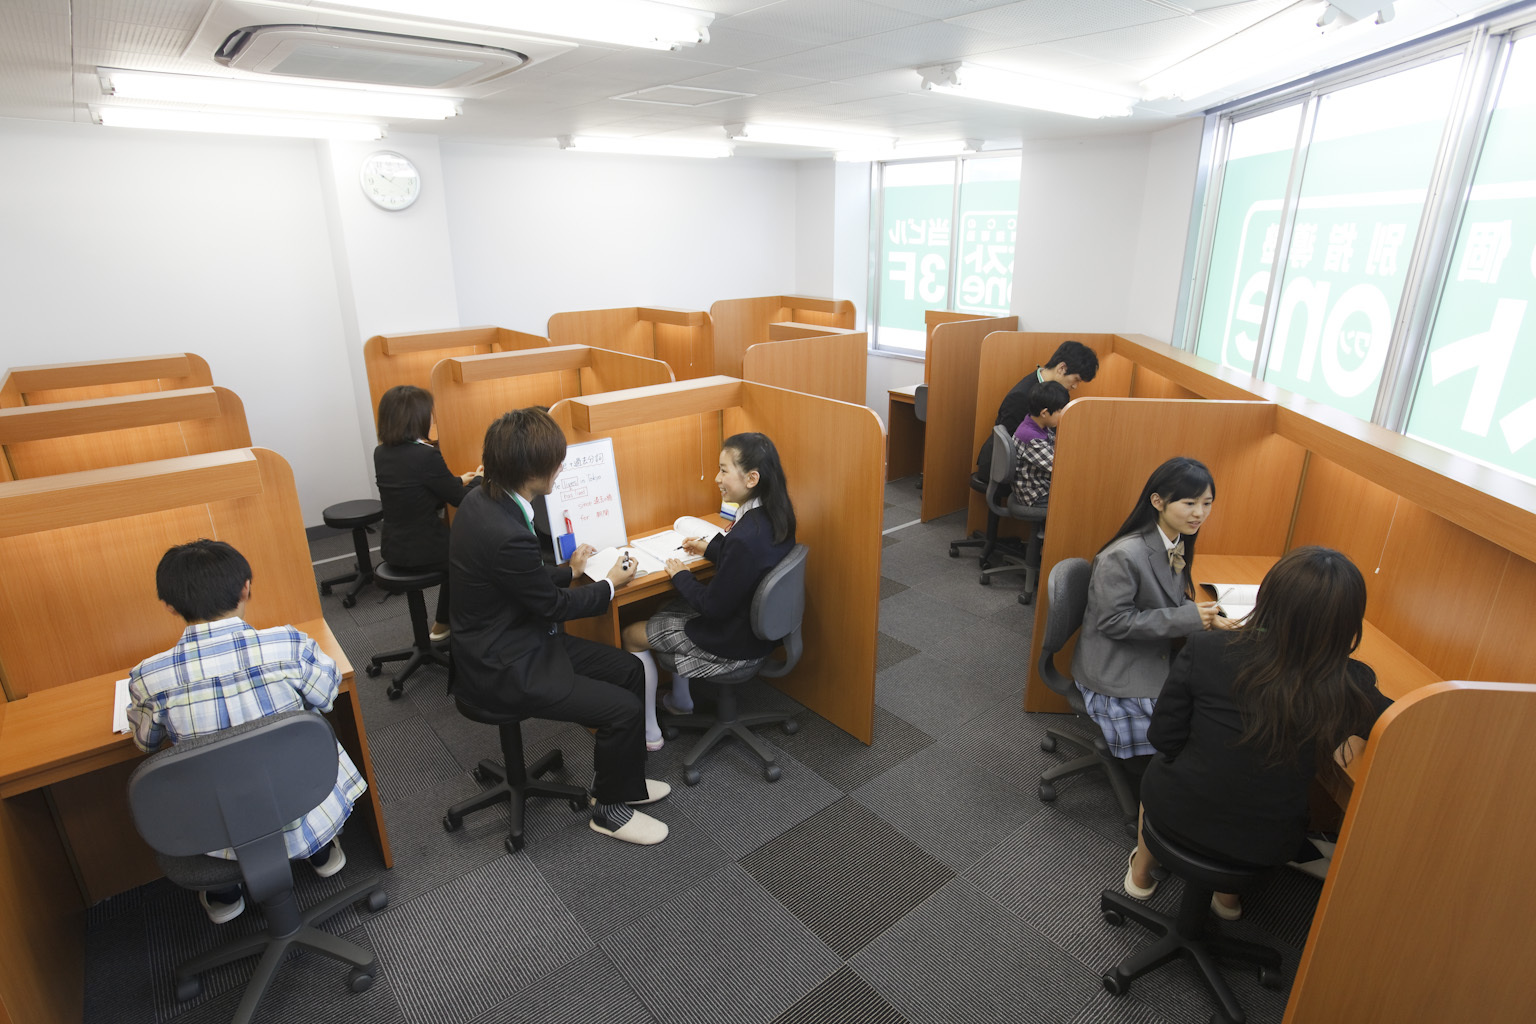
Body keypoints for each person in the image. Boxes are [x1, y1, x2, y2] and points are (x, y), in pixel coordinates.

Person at [1124, 547, 1393, 920]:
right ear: (1348, 621)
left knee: (1164, 769)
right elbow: (1398, 720)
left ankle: (1141, 876)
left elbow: (1163, 738)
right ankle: (1227, 899)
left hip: (1176, 813)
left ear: (1268, 600)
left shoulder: (1208, 648)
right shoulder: (1351, 683)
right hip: (1264, 843)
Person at [449, 407, 670, 845]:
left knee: (630, 670)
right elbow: (551, 606)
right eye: (556, 462)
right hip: (504, 664)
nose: (561, 469)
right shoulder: (505, 531)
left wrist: (570, 571)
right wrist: (609, 584)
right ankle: (608, 812)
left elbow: (517, 579)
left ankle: (622, 785)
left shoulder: (483, 499)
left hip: (515, 634)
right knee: (622, 710)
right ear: (532, 472)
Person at [127, 540, 366, 924]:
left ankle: (225, 890)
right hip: (306, 798)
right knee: (300, 746)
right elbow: (326, 697)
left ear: (169, 606)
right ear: (246, 588)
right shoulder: (288, 645)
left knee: (204, 790)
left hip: (217, 827)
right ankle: (318, 848)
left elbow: (145, 743)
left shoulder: (150, 678)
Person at [621, 432, 797, 752]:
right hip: (760, 632)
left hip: (731, 643)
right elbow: (749, 562)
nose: (717, 478)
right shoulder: (777, 513)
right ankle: (681, 701)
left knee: (632, 634)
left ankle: (649, 732)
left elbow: (712, 607)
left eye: (724, 470)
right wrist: (711, 547)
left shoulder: (745, 536)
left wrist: (681, 575)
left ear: (752, 478)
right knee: (668, 605)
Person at [1072, 457, 1234, 763]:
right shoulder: (1123, 555)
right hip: (1115, 667)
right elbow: (1114, 622)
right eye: (1189, 503)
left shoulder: (1173, 541)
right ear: (1158, 502)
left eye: (1207, 503)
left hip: (1146, 653)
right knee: (1187, 729)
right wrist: (1190, 617)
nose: (1199, 513)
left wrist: (1209, 618)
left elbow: (1168, 597)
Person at [374, 384, 481, 642]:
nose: (432, 419)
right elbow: (460, 500)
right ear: (417, 418)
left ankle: (442, 623)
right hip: (423, 551)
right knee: (471, 553)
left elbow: (415, 488)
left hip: (393, 546)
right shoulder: (426, 455)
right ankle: (450, 623)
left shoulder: (382, 453)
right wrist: (480, 478)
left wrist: (458, 479)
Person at [977, 339, 1100, 484]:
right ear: (1062, 368)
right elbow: (1011, 445)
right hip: (1001, 468)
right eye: (1076, 380)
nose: (1075, 386)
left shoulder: (1051, 390)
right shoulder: (1022, 396)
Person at [1011, 379, 1070, 507]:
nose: (1063, 416)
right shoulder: (1032, 439)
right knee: (1078, 498)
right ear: (1044, 413)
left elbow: (1055, 444)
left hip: (1037, 484)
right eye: (1060, 412)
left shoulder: (1033, 422)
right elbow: (1060, 468)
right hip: (1035, 494)